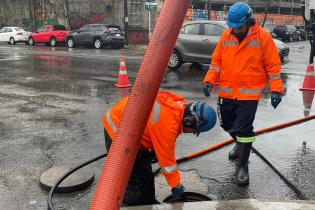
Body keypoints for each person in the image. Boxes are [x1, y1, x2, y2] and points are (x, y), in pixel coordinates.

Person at [202, 2, 283, 186]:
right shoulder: (226, 35)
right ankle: (239, 143)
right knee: (227, 125)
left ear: (248, 21)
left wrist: (276, 89)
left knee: (245, 130)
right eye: (233, 26)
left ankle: (243, 167)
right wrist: (209, 80)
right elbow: (216, 61)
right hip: (227, 92)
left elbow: (273, 66)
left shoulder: (263, 38)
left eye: (238, 27)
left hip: (249, 95)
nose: (235, 30)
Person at [102, 91, 217, 206]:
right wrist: (176, 185)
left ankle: (149, 203)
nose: (192, 133)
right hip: (118, 131)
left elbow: (154, 127)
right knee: (133, 181)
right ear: (190, 122)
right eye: (194, 131)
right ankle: (131, 206)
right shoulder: (169, 124)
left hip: (132, 132)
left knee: (146, 173)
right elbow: (167, 162)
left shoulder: (177, 107)